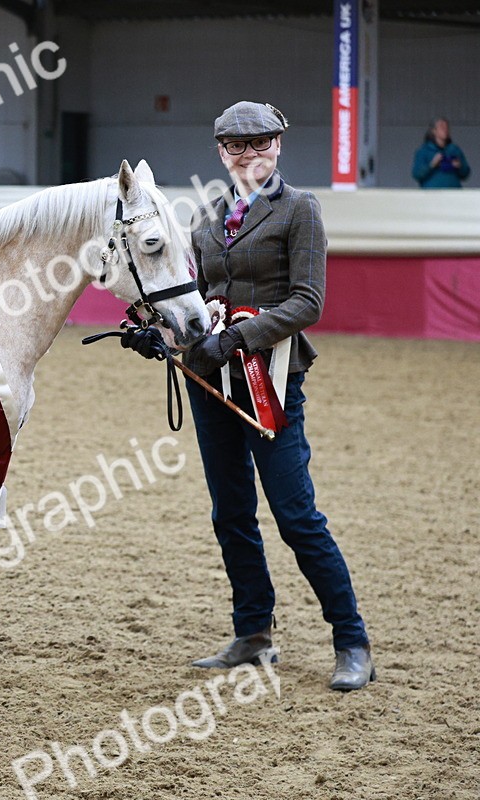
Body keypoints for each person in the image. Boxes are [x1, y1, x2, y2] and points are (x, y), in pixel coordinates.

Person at [125, 101, 374, 691]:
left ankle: (351, 639)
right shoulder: (207, 218)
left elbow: (308, 301)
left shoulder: (300, 210)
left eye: (260, 143)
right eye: (237, 146)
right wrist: (158, 334)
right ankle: (253, 634)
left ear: (278, 145)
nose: (249, 154)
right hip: (212, 381)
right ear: (221, 153)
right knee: (232, 514)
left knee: (295, 516)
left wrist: (237, 336)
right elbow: (197, 297)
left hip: (272, 381)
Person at [412, 118, 470, 188]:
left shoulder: (455, 150)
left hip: (454, 194)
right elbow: (417, 174)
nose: (445, 129)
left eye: (447, 127)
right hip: (432, 195)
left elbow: (465, 174)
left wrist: (460, 166)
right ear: (434, 131)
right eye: (442, 127)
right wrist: (432, 165)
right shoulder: (424, 151)